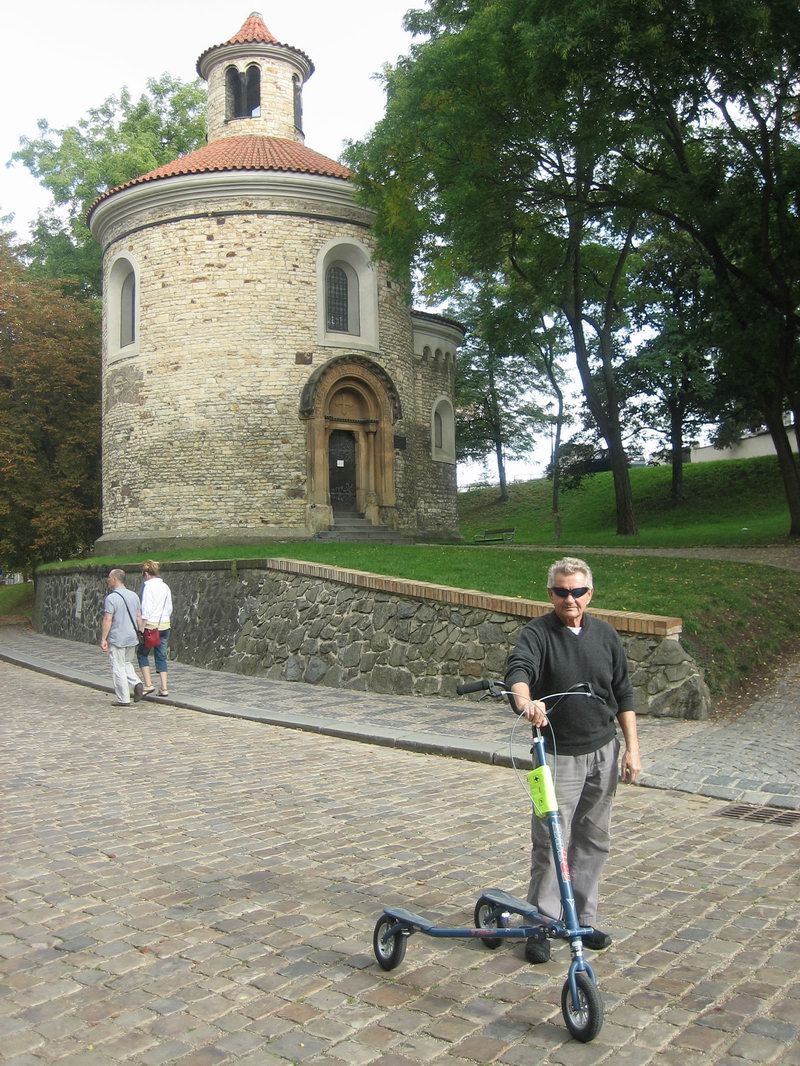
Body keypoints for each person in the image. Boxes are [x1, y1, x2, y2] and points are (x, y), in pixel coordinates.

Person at [505, 556, 641, 964]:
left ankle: (580, 920)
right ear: (551, 594)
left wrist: (632, 748)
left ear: (590, 594)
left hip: (603, 750)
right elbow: (519, 671)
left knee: (593, 839)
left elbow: (623, 692)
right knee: (550, 841)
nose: (571, 599)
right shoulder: (538, 634)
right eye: (562, 592)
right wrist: (526, 703)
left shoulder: (606, 635)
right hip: (556, 755)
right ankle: (541, 924)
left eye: (578, 591)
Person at [100, 569, 144, 707]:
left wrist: (103, 638)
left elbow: (108, 619)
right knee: (126, 663)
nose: (108, 580)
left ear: (115, 579)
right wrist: (141, 631)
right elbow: (138, 617)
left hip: (118, 637)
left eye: (109, 577)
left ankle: (123, 698)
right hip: (132, 636)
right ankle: (137, 683)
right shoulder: (134, 596)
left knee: (118, 667)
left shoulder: (112, 598)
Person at [137, 560, 173, 697]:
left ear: (146, 574)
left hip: (151, 626)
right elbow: (169, 607)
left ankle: (148, 684)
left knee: (142, 654)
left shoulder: (148, 587)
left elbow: (146, 608)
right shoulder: (165, 587)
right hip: (164, 624)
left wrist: (141, 627)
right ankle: (164, 687)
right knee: (161, 655)